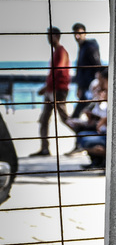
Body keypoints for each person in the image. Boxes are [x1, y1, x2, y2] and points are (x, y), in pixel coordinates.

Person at [30, 27, 71, 157]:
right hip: (51, 89)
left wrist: (46, 86)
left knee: (65, 118)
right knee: (43, 120)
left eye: (49, 35)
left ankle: (81, 141)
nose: (47, 38)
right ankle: (44, 148)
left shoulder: (61, 51)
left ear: (56, 36)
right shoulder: (56, 52)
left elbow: (58, 70)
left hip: (58, 90)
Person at [76, 68, 108, 169]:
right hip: (102, 131)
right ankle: (97, 161)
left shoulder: (109, 95)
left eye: (100, 80)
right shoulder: (102, 93)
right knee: (81, 134)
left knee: (86, 140)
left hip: (106, 134)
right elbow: (96, 113)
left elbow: (106, 115)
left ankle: (104, 159)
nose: (98, 83)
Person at [71, 23, 101, 119]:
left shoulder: (90, 47)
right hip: (85, 88)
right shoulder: (82, 48)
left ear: (85, 33)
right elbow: (81, 70)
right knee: (84, 115)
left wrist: (98, 85)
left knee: (77, 116)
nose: (77, 36)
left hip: (91, 88)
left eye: (79, 33)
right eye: (75, 34)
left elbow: (98, 66)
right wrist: (79, 87)